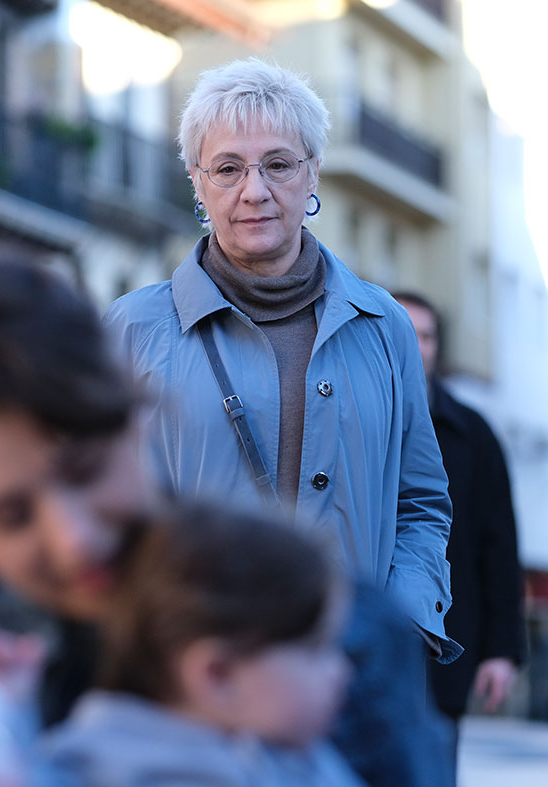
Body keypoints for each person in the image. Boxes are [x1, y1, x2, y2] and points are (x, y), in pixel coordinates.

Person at [0, 244, 449, 787]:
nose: (74, 538)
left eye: (84, 470)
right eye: (10, 516)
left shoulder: (333, 625)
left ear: (138, 420)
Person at [104, 58, 458, 665]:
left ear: (313, 172)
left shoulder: (383, 326)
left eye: (278, 164)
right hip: (191, 674)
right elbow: (100, 503)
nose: (255, 190)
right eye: (228, 169)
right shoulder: (134, 329)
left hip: (352, 670)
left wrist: (399, 622)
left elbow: (420, 501)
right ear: (197, 182)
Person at [0, 504, 362, 786]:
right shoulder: (102, 772)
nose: (341, 670)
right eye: (315, 649)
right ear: (217, 674)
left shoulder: (295, 754)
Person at [393, 292, 525, 758]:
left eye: (425, 334)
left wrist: (502, 650)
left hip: (446, 642)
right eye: (402, 328)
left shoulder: (474, 434)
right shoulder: (342, 415)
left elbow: (500, 547)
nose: (413, 343)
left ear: (437, 347)